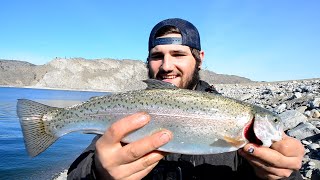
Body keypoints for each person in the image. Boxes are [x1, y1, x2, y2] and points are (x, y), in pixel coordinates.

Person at [67, 18, 305, 179]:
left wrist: (284, 174)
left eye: (178, 54)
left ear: (199, 58)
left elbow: (279, 168)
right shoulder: (128, 110)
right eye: (157, 56)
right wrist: (99, 172)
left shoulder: (233, 117)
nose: (167, 66)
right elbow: (76, 173)